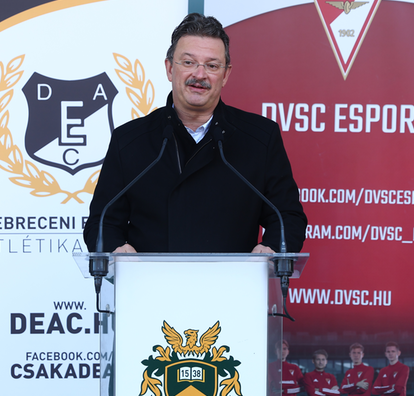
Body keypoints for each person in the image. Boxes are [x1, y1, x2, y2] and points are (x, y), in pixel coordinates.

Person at [83, 13, 307, 253]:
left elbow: (287, 217)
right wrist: (116, 249)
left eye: (212, 66)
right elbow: (101, 223)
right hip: (150, 277)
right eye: (189, 62)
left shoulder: (260, 138)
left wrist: (272, 248)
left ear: (225, 75)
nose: (199, 75)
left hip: (232, 277)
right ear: (170, 69)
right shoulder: (129, 140)